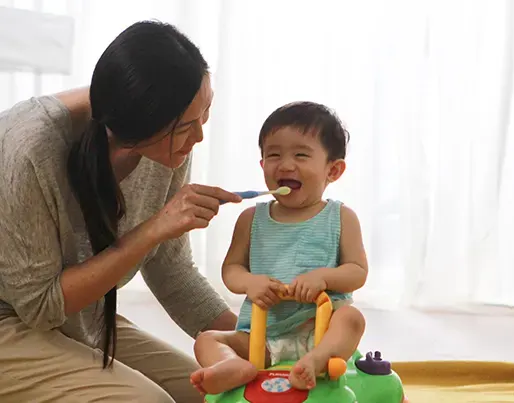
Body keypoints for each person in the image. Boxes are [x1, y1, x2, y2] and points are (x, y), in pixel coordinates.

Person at [0, 20, 243, 402]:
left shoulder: (164, 146)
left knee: (214, 394)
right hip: (12, 319)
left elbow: (171, 271)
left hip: (77, 317)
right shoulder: (28, 150)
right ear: (141, 124)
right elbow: (40, 306)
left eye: (205, 114)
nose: (198, 138)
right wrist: (151, 230)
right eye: (187, 126)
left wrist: (259, 342)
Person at [190, 101, 368, 394]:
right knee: (207, 339)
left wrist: (324, 277)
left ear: (333, 170)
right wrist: (250, 282)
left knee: (351, 318)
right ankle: (232, 365)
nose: (285, 165)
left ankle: (314, 362)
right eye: (273, 155)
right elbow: (231, 269)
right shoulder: (251, 219)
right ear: (262, 165)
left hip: (320, 331)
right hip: (263, 335)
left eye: (300, 154)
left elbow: (357, 272)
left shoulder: (341, 217)